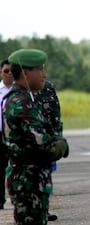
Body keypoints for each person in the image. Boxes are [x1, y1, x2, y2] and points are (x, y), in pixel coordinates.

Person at [3, 48, 69, 225]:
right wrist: (61, 145)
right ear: (25, 73)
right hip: (28, 183)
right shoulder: (21, 103)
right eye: (40, 69)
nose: (44, 74)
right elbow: (42, 142)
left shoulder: (24, 98)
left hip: (32, 181)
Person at [33, 80, 64, 221]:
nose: (42, 74)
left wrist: (58, 137)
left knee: (46, 175)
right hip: (29, 142)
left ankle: (44, 209)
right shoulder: (19, 91)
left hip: (47, 139)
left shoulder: (48, 87)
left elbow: (56, 113)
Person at [0, 59, 13, 210]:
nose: (9, 74)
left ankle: (17, 198)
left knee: (16, 167)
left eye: (11, 71)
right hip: (0, 133)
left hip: (15, 135)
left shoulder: (21, 90)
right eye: (6, 71)